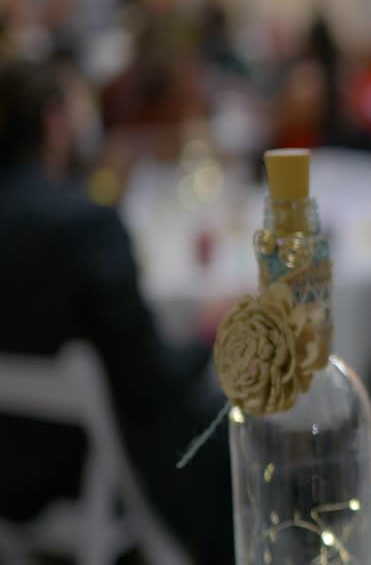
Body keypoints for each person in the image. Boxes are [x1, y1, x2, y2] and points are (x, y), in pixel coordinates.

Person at [0, 60, 233, 564]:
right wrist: (208, 330)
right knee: (245, 418)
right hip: (84, 463)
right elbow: (153, 378)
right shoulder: (85, 225)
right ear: (54, 121)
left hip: (10, 459)